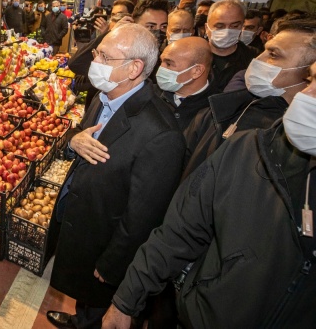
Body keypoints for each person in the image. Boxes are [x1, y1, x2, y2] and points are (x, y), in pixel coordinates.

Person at [101, 61, 316, 329]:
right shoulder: (249, 149)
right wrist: (126, 299)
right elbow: (180, 230)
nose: (306, 96)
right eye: (311, 81)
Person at [46, 24, 186, 329]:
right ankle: (79, 318)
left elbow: (144, 215)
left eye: (104, 57)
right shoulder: (103, 96)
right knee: (85, 296)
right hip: (85, 222)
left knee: (102, 309)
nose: (95, 61)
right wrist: (73, 140)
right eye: (97, 53)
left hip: (107, 243)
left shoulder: (161, 135)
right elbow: (82, 135)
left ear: (134, 68)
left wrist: (115, 263)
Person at [184, 17, 316, 178]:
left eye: (273, 55)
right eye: (264, 51)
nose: (258, 59)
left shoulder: (303, 140)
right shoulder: (222, 110)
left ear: (310, 70)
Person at [155, 36, 214, 132]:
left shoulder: (216, 109)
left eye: (169, 64)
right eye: (161, 62)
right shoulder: (151, 95)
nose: (161, 68)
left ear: (197, 71)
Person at [204, 0, 257, 92]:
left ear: (242, 26)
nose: (227, 31)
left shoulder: (254, 58)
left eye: (235, 26)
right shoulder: (192, 53)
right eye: (220, 26)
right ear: (207, 28)